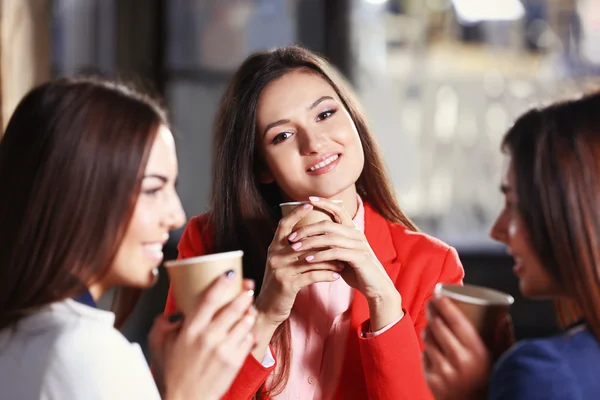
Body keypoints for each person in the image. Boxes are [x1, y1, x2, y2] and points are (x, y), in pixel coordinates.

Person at [163, 45, 464, 399]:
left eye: (325, 114)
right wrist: (266, 313)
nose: (314, 142)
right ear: (262, 167)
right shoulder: (208, 245)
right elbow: (185, 394)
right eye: (283, 136)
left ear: (353, 119)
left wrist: (384, 300)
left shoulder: (433, 266)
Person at [0, 78, 257, 400]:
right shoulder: (85, 352)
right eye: (152, 189)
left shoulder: (26, 335)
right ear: (79, 197)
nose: (176, 216)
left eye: (171, 188)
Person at [423, 92, 600, 399]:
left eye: (514, 205)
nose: (497, 231)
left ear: (576, 210)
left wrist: (476, 394)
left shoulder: (544, 374)